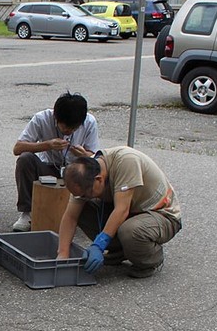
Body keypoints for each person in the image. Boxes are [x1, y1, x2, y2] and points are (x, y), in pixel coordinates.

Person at [58, 147, 182, 279]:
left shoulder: (127, 161)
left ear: (99, 179)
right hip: (131, 213)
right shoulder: (84, 176)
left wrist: (99, 245)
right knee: (82, 210)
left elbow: (121, 210)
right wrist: (62, 255)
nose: (84, 196)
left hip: (161, 214)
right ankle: (121, 251)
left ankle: (150, 259)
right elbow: (71, 217)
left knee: (130, 231)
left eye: (86, 194)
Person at [12, 92, 100, 232]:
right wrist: (47, 145)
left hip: (74, 171)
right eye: (65, 128)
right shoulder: (41, 118)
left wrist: (85, 155)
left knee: (95, 170)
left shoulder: (90, 122)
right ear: (56, 118)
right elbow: (18, 148)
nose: (68, 132)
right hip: (48, 168)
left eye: (74, 129)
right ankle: (27, 213)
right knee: (25, 159)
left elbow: (95, 157)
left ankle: (82, 213)